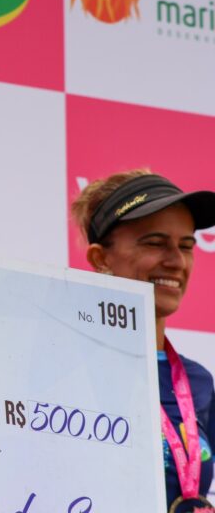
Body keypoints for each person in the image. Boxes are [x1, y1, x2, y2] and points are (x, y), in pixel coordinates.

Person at [71, 169, 215, 512]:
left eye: (186, 246)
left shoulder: (198, 382)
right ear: (100, 258)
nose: (176, 261)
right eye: (154, 243)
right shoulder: (66, 367)